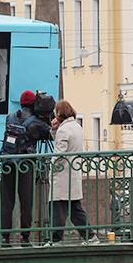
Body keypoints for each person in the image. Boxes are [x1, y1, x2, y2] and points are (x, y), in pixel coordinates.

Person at [0, 90, 52, 246]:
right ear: (33, 104)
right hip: (25, 165)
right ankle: (25, 237)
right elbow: (50, 135)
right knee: (26, 201)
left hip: (7, 163)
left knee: (7, 202)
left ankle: (5, 237)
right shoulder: (37, 122)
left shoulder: (9, 117)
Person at [48, 100, 93, 244]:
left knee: (57, 209)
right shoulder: (76, 126)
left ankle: (56, 239)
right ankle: (90, 236)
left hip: (62, 176)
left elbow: (59, 153)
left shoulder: (64, 130)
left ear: (59, 113)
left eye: (56, 112)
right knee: (75, 209)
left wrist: (52, 168)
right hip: (73, 173)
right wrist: (54, 130)